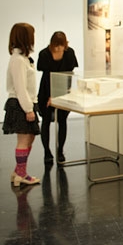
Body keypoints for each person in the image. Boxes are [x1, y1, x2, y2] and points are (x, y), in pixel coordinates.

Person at [3, 23, 41, 187]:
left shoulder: (22, 58)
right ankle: (21, 174)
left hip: (26, 103)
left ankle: (18, 171)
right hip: (21, 104)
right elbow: (20, 87)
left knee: (29, 137)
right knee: (24, 139)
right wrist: (28, 109)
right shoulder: (18, 60)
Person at [37, 31, 79, 164]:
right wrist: (51, 96)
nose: (59, 48)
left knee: (62, 120)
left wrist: (63, 95)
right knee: (45, 121)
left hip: (63, 91)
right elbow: (46, 77)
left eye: (61, 45)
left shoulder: (69, 53)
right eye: (56, 45)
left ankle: (60, 150)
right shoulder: (44, 54)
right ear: (52, 44)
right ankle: (46, 151)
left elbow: (69, 75)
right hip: (46, 91)